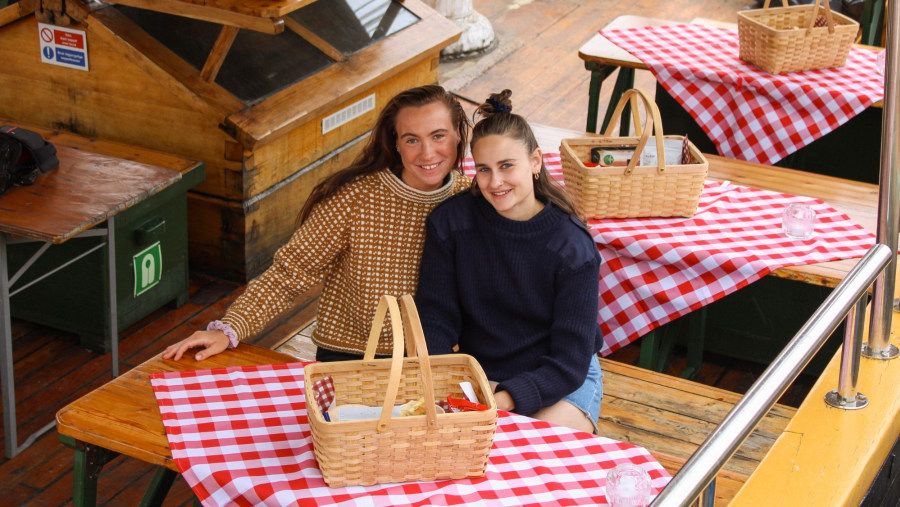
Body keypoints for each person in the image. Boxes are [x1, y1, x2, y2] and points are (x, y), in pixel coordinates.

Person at [163, 85, 470, 363]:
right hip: (353, 356)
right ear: (396, 143)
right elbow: (290, 272)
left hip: (435, 359)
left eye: (438, 135)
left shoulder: (472, 199)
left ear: (458, 133)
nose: (428, 153)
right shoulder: (355, 198)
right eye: (412, 139)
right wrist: (230, 327)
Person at [414, 89, 604, 434]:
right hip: (479, 375)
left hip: (560, 380)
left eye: (506, 166)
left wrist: (501, 400)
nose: (495, 182)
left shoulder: (573, 248)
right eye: (483, 169)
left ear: (535, 161)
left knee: (525, 449)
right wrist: (443, 380)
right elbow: (435, 317)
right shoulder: (451, 223)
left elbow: (569, 361)